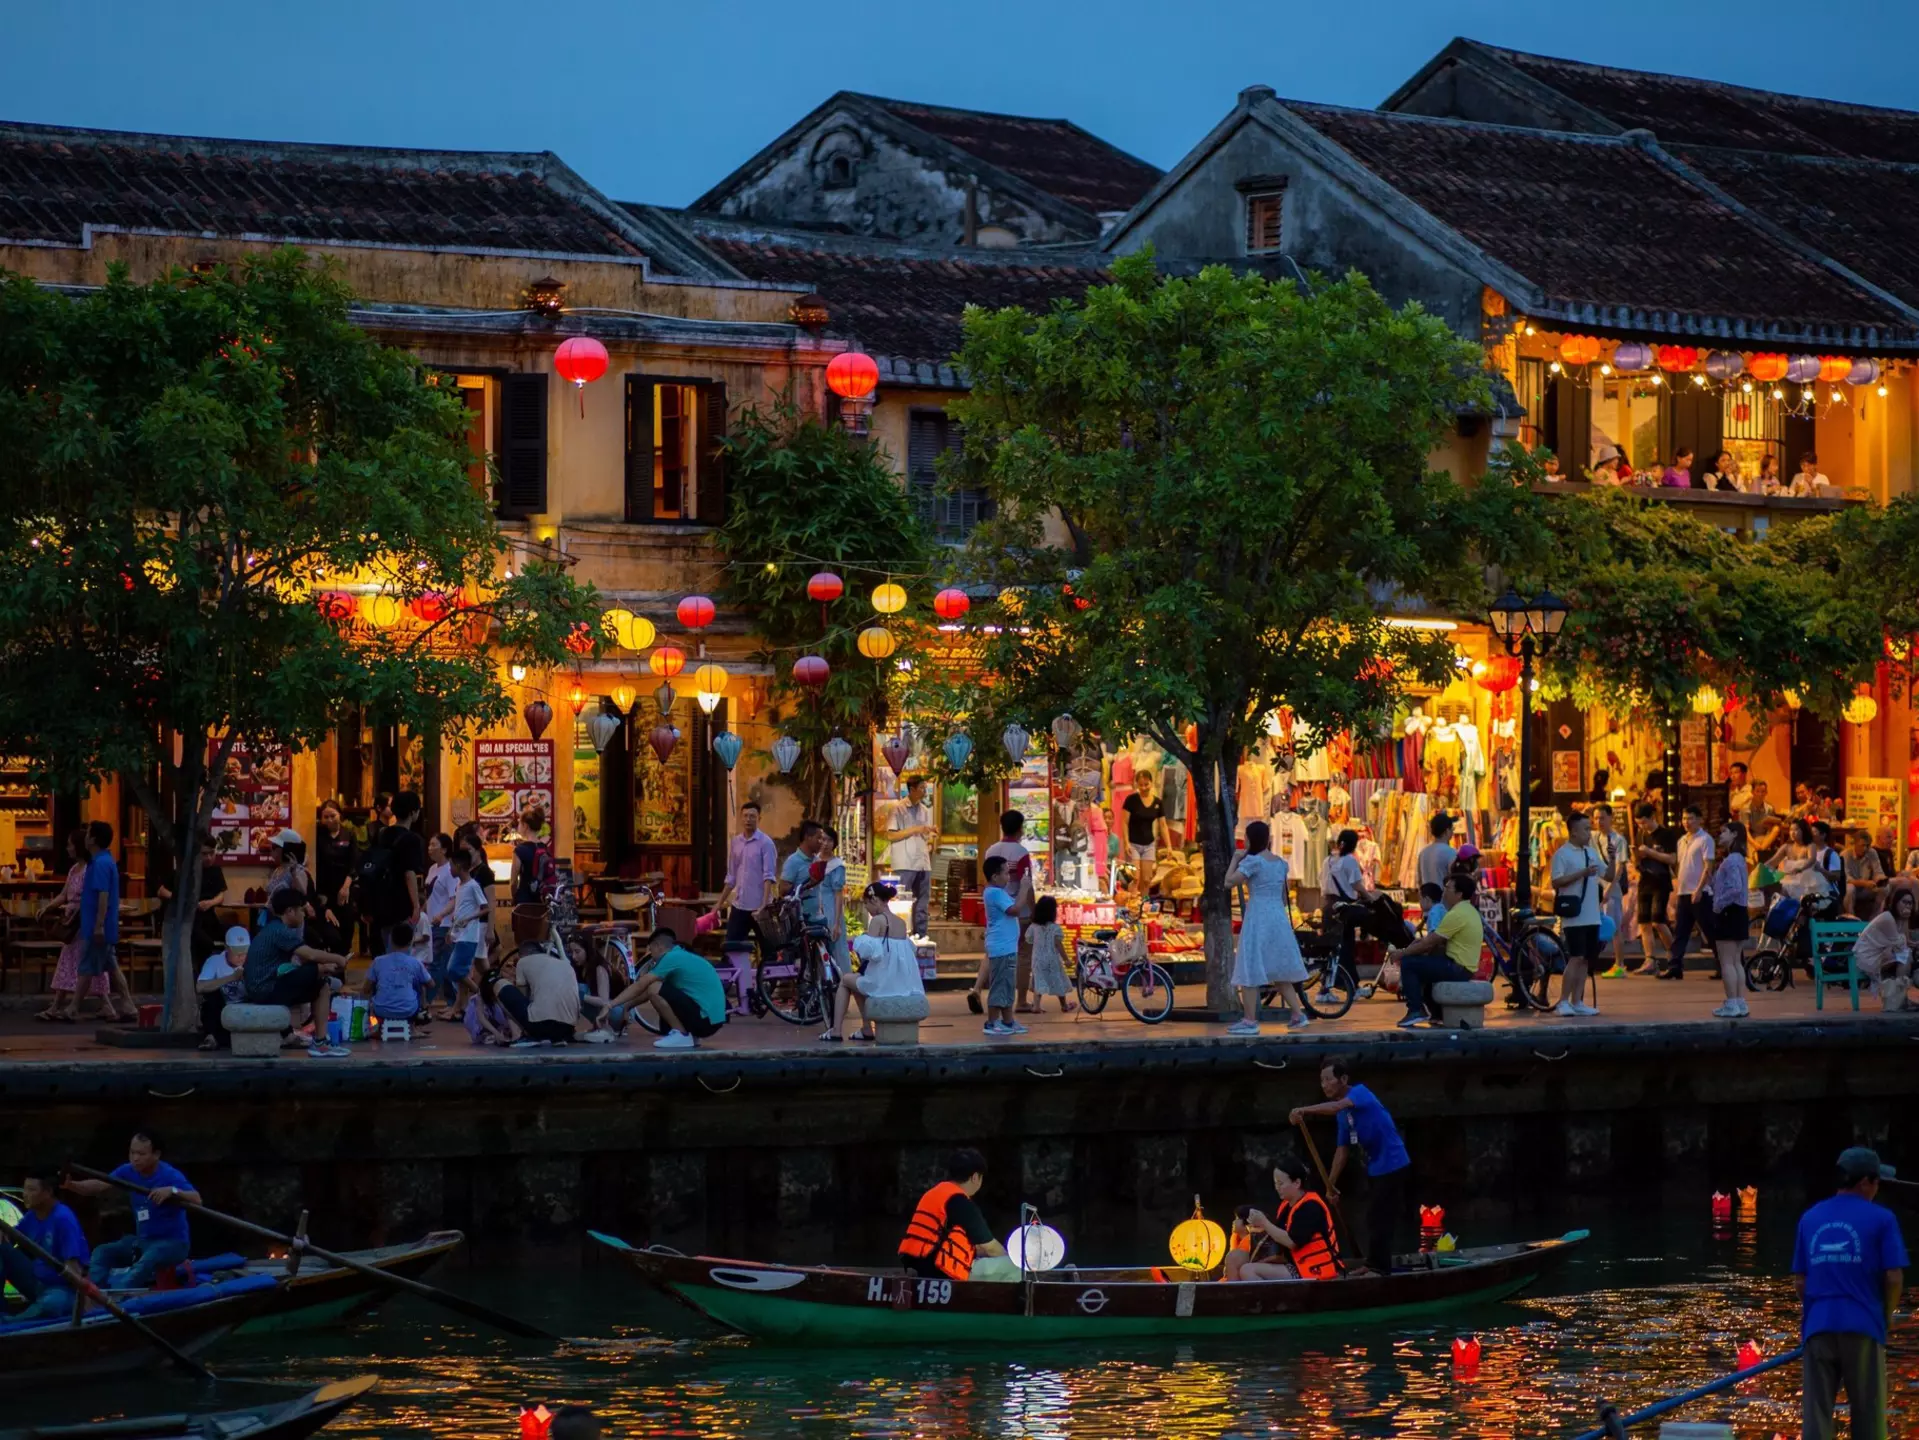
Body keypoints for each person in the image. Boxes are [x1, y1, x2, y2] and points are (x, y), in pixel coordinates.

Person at [1794, 1147, 1906, 1440]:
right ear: (1865, 1183)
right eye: (1878, 1182)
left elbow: (1801, 1281)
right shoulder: (1883, 1219)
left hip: (1818, 1328)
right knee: (1868, 1417)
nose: (1878, 1189)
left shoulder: (1809, 1218)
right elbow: (1893, 1277)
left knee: (1816, 1417)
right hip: (1863, 1326)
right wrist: (1885, 1316)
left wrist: (1816, 1311)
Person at [1290, 1058, 1409, 1276]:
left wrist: (1304, 1110)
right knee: (1372, 1217)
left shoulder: (1359, 1093)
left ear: (1343, 1079)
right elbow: (1342, 1150)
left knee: (1382, 1216)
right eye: (1321, 1080)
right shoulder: (1343, 1117)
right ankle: (1372, 1263)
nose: (1324, 1085)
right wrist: (1330, 1184)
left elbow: (1336, 1106)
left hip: (1394, 1162)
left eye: (1328, 1079)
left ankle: (1381, 1268)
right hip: (1375, 1166)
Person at [68, 1131, 200, 1288]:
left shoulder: (170, 1175)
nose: (135, 1158)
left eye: (141, 1154)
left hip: (172, 1244)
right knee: (102, 1252)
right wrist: (72, 1186)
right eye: (132, 1152)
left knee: (150, 1258)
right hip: (143, 1242)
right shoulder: (128, 1171)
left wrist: (173, 1191)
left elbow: (197, 1200)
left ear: (156, 1154)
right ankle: (94, 1293)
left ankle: (118, 1297)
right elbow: (99, 1184)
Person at [243, 888, 351, 1056]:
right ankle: (320, 1043)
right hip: (265, 989)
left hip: (265, 986)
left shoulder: (273, 928)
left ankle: (320, 1041)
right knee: (319, 978)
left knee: (321, 984)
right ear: (290, 911)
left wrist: (322, 968)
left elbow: (302, 961)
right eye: (301, 910)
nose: (304, 914)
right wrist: (338, 959)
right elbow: (310, 954)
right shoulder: (280, 931)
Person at [1225, 820, 1308, 1035]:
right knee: (1279, 968)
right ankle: (1298, 1014)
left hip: (1258, 916)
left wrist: (1235, 859)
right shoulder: (1280, 863)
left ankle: (1250, 1020)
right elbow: (1282, 893)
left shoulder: (1253, 862)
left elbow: (1228, 882)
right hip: (1277, 917)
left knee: (1250, 965)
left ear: (1251, 839)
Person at [37, 827, 120, 1023]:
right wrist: (48, 907)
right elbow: (64, 894)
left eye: (70, 844)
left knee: (89, 964)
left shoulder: (93, 868)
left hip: (83, 922)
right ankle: (101, 1004)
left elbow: (98, 896)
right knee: (79, 963)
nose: (68, 848)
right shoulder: (74, 870)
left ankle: (65, 1006)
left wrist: (95, 921)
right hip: (72, 924)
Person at [827, 882, 925, 1040]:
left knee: (845, 980)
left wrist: (857, 943)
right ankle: (866, 1029)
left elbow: (867, 954)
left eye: (866, 904)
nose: (867, 909)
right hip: (900, 983)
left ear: (874, 901)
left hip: (883, 983)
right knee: (857, 982)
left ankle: (836, 1031)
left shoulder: (878, 921)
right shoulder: (901, 923)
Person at [898, 1147, 1013, 1282]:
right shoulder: (961, 1202)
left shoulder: (933, 1194)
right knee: (1017, 1267)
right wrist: (1009, 1257)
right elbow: (990, 1248)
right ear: (975, 1177)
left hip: (920, 1265)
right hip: (943, 1272)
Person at [1384, 871, 1482, 1028]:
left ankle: (1415, 1010)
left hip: (1458, 967)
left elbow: (1430, 942)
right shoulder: (1467, 911)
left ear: (1459, 894)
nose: (1443, 893)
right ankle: (1437, 1014)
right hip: (1461, 966)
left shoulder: (1457, 914)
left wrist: (1402, 953)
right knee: (1425, 968)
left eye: (1448, 889)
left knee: (1409, 964)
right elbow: (1432, 939)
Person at [602, 929, 726, 1050]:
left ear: (658, 946)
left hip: (705, 1020)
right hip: (712, 1021)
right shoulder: (683, 956)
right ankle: (690, 1036)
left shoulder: (671, 957)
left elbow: (642, 985)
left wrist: (610, 1005)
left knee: (654, 987)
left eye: (651, 950)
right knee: (657, 988)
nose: (652, 957)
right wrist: (628, 1005)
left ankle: (681, 1034)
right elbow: (647, 991)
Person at [1225, 1154, 1343, 1282]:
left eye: (1281, 1183)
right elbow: (1276, 1237)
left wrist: (1264, 1223)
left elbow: (1292, 1242)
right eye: (1275, 1183)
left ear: (1297, 1183)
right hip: (1288, 1260)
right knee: (1234, 1257)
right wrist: (1254, 1227)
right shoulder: (1286, 1206)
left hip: (1310, 1268)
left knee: (1248, 1270)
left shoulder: (1310, 1206)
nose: (1277, 1188)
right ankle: (1237, 1299)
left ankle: (1266, 1302)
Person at [0, 1165, 90, 1320]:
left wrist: (85, 1303)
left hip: (62, 1289)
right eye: (25, 1189)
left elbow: (74, 1270)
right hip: (37, 1281)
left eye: (31, 1190)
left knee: (51, 1304)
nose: (25, 1195)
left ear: (47, 1192)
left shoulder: (63, 1219)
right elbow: (10, 1236)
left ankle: (12, 1321)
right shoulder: (32, 1215)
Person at [969, 811, 1032, 1015]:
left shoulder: (991, 850)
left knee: (991, 952)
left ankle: (977, 988)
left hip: (994, 912)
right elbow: (1026, 884)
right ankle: (1020, 1000)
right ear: (1020, 828)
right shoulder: (1021, 853)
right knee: (1022, 954)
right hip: (1016, 909)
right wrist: (1032, 908)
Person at [77, 820, 138, 1021]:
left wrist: (99, 925)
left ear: (93, 839)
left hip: (98, 926)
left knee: (87, 968)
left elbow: (102, 895)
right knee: (111, 966)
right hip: (98, 925)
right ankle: (128, 1004)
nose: (84, 837)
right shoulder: (102, 861)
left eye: (88, 834)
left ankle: (72, 1006)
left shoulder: (101, 863)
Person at [1548, 810, 1604, 1016]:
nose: (1589, 833)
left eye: (1589, 829)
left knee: (1586, 959)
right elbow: (1556, 881)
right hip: (1574, 916)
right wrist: (1582, 873)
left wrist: (1614, 858)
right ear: (1573, 832)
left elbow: (1608, 873)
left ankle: (1578, 1000)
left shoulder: (1591, 852)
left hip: (1593, 914)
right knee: (1575, 957)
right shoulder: (1562, 854)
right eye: (1586, 829)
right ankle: (1563, 1001)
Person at [359, 791, 427, 954]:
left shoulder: (382, 834)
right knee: (401, 951)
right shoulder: (412, 839)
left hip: (379, 901)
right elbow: (409, 873)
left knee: (383, 950)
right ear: (413, 812)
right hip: (400, 903)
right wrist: (416, 905)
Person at [1657, 805, 1715, 980]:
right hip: (1683, 893)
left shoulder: (1706, 839)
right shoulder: (1682, 840)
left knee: (1710, 931)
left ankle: (1723, 964)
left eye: (1690, 818)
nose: (1686, 822)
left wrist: (1698, 890)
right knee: (1680, 932)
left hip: (1700, 893)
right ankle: (1675, 966)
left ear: (1699, 820)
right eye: (1684, 818)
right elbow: (1680, 866)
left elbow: (1708, 867)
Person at [716, 800, 779, 955]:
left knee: (769, 951)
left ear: (759, 818)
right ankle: (736, 978)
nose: (748, 819)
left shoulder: (766, 843)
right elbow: (731, 877)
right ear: (741, 817)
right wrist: (718, 904)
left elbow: (768, 876)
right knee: (731, 947)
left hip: (760, 907)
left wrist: (764, 904)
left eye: (752, 816)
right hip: (740, 905)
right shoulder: (736, 842)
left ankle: (769, 979)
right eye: (745, 816)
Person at [981, 854, 1032, 1037]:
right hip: (1001, 948)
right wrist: (1024, 889)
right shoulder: (994, 893)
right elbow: (1015, 910)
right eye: (1006, 873)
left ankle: (1008, 1021)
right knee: (1000, 985)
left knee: (1008, 986)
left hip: (1008, 948)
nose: (1009, 877)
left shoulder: (999, 893)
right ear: (995, 876)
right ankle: (992, 1022)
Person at [437, 848, 491, 1020]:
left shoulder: (473, 885)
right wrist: (452, 931)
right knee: (460, 973)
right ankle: (457, 1009)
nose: (450, 869)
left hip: (469, 936)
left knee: (454, 970)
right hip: (459, 935)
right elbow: (459, 910)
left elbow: (486, 908)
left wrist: (469, 919)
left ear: (459, 866)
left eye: (451, 866)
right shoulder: (460, 885)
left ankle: (483, 996)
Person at [1707, 820, 1752, 1019]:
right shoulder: (1739, 859)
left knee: (1726, 961)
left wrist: (1718, 904)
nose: (1720, 836)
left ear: (1734, 834)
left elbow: (1734, 888)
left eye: (1724, 832)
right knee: (1736, 961)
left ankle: (1732, 1002)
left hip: (1729, 912)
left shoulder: (1732, 860)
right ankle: (1739, 1001)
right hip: (1739, 912)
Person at [885, 776, 937, 941]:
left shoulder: (924, 810)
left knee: (922, 902)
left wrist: (930, 832)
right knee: (901, 901)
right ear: (912, 789)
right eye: (922, 788)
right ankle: (901, 934)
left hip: (922, 861)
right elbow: (890, 835)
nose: (924, 791)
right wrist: (915, 829)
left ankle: (921, 934)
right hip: (905, 862)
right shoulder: (898, 809)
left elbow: (924, 835)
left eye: (925, 788)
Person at [1854, 882, 1915, 1008]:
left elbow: (1906, 941)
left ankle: (1901, 999)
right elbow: (1900, 943)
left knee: (1905, 955)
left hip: (1880, 953)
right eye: (1904, 902)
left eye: (1910, 903)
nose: (1907, 906)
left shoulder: (1898, 919)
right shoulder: (1887, 918)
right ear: (1896, 902)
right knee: (1905, 957)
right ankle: (1900, 999)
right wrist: (1905, 920)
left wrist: (1905, 921)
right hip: (1867, 957)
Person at [1632, 801, 1675, 976]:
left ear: (1652, 817)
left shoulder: (1666, 834)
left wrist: (1650, 852)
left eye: (1644, 822)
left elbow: (1672, 859)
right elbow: (1636, 862)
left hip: (1661, 881)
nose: (1642, 826)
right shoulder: (1641, 835)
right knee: (1644, 922)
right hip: (1645, 880)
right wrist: (1636, 857)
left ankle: (1674, 955)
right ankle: (1650, 960)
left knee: (1658, 920)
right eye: (1638, 824)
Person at [364, 921, 434, 1025]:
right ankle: (413, 1027)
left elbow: (366, 988)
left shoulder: (378, 961)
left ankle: (375, 1026)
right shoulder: (415, 963)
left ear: (391, 940)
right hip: (408, 1009)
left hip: (380, 1009)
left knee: (374, 984)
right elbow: (431, 984)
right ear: (411, 942)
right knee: (421, 984)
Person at [194, 925, 251, 1051]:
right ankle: (210, 1037)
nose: (241, 956)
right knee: (211, 997)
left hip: (246, 1011)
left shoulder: (252, 961)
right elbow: (200, 987)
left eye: (244, 952)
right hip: (222, 1012)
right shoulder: (215, 961)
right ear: (226, 948)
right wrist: (231, 978)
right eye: (237, 952)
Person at [313, 800, 359, 954]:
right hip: (325, 892)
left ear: (340, 815)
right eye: (325, 817)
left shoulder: (349, 835)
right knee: (330, 935)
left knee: (346, 932)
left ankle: (341, 969)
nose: (330, 820)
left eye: (333, 816)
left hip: (345, 890)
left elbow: (354, 865)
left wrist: (346, 887)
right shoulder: (317, 836)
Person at [1592, 803, 1629, 979]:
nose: (1599, 821)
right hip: (1597, 889)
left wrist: (1609, 887)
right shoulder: (1594, 838)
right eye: (1596, 818)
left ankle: (1620, 964)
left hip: (1611, 890)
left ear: (1610, 818)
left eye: (1602, 818)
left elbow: (1620, 868)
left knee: (1614, 927)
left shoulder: (1618, 840)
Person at [1023, 894, 1074, 1014]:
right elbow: (1058, 945)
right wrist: (1066, 959)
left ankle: (1036, 1005)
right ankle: (1064, 1005)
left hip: (1037, 958)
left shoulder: (1033, 927)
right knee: (1057, 980)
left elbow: (1028, 940)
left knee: (1039, 980)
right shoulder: (1055, 928)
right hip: (1052, 959)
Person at [1122, 770, 1172, 874]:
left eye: (1146, 784)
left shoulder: (1158, 802)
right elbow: (1124, 822)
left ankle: (1144, 891)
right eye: (1140, 785)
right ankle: (1134, 890)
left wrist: (1169, 846)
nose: (1144, 788)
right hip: (1133, 843)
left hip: (1149, 844)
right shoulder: (1131, 800)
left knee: (1146, 879)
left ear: (1151, 783)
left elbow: (1163, 825)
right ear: (1136, 785)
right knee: (1135, 877)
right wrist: (1126, 843)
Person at [508, 807, 552, 909]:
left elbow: (514, 881)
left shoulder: (520, 850)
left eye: (519, 823)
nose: (518, 826)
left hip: (524, 900)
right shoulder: (544, 847)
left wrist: (514, 896)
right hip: (541, 900)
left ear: (525, 826)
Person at [464, 967, 519, 1045]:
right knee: (488, 1036)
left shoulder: (503, 992)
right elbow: (481, 1018)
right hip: (484, 1019)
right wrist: (496, 1033)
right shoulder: (481, 996)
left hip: (498, 1015)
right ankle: (490, 1034)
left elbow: (508, 1013)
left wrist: (515, 1034)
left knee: (510, 1014)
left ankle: (510, 1035)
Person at [1415, 814, 1458, 908]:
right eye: (1452, 829)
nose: (1452, 832)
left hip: (1428, 908)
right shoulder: (1451, 853)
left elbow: (1419, 882)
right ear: (1447, 831)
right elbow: (1456, 882)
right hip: (1445, 909)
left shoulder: (1423, 853)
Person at [1846, 828, 1888, 920]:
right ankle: (1851, 919)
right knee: (1849, 889)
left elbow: (1878, 872)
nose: (1865, 848)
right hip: (1853, 888)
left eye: (1868, 846)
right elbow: (1847, 879)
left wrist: (1880, 880)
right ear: (1855, 844)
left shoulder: (1872, 852)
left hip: (1867, 888)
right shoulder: (1845, 855)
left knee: (1885, 888)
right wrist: (1864, 883)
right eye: (1862, 845)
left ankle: (1874, 919)